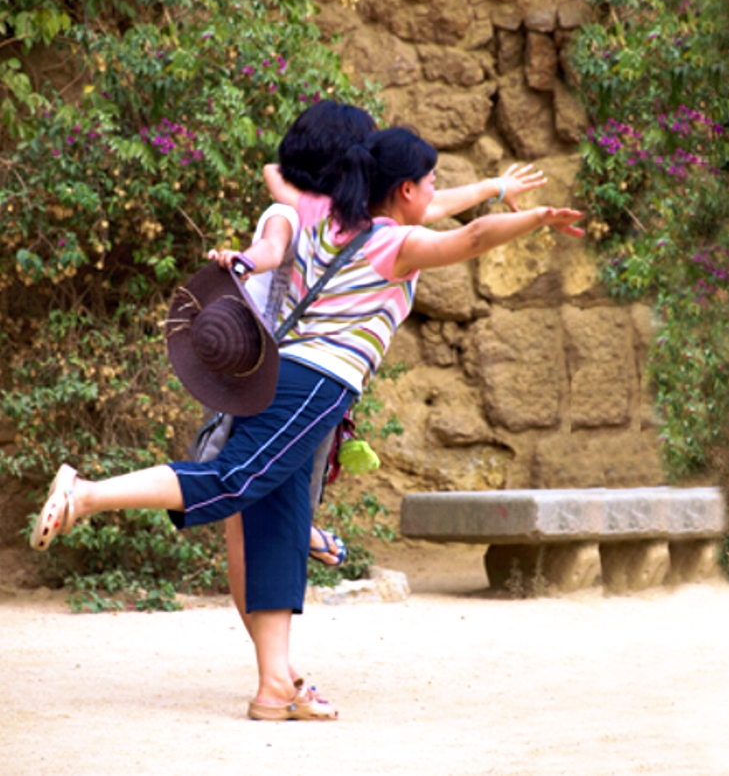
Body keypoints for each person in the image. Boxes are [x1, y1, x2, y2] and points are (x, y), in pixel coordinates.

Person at [31, 123, 584, 721]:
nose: (434, 192)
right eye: (428, 183)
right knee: (233, 480)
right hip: (316, 382)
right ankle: (85, 495)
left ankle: (275, 687)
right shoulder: (393, 245)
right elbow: (471, 236)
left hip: (284, 376)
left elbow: (426, 206)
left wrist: (495, 187)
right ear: (402, 191)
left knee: (280, 524)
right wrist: (534, 219)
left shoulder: (328, 224)